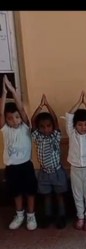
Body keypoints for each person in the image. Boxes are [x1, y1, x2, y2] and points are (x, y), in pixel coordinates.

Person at [0, 75, 38, 230]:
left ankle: (31, 216)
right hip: (12, 168)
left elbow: (21, 108)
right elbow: (1, 114)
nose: (15, 120)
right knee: (16, 193)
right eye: (11, 118)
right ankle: (19, 214)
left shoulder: (25, 127)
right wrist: (3, 93)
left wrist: (12, 91)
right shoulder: (5, 130)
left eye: (17, 117)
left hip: (26, 166)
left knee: (29, 192)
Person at [31, 94, 69, 229]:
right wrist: (40, 107)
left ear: (52, 127)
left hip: (57, 172)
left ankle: (62, 216)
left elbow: (55, 121)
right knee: (46, 196)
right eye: (42, 127)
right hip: (44, 173)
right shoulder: (37, 137)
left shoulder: (55, 136)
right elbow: (33, 121)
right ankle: (47, 217)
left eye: (48, 126)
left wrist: (48, 106)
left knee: (59, 196)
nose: (46, 129)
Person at [66, 91, 86, 231]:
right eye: (80, 124)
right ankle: (80, 217)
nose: (83, 127)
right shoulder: (72, 133)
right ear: (75, 126)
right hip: (75, 168)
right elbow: (69, 116)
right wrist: (79, 102)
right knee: (77, 194)